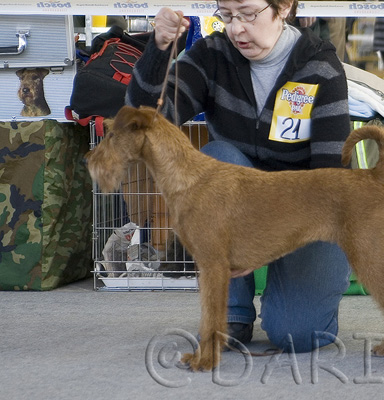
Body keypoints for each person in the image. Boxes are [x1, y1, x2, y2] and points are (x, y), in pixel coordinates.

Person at [125, 0, 352, 353]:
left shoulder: (321, 64)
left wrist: (266, 241)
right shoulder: (211, 54)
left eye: (248, 14)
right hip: (239, 204)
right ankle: (233, 312)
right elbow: (148, 120)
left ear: (284, 7)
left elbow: (331, 177)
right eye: (227, 16)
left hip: (312, 211)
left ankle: (292, 291)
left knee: (300, 336)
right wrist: (158, 48)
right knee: (216, 158)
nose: (236, 28)